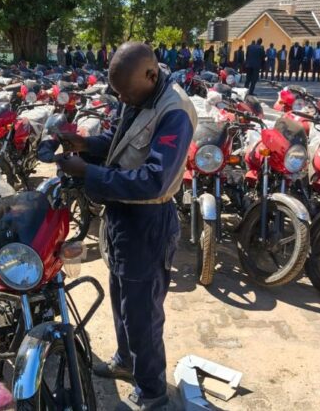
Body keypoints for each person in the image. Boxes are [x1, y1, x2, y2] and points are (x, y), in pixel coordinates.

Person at [50, 42, 196, 411]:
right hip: (121, 215)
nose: (122, 100)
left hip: (148, 220)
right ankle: (126, 360)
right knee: (120, 296)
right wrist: (86, 144)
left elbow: (153, 180)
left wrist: (90, 173)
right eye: (118, 94)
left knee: (142, 312)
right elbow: (118, 140)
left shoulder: (174, 111)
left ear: (150, 75)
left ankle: (152, 391)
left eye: (126, 93)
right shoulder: (135, 95)